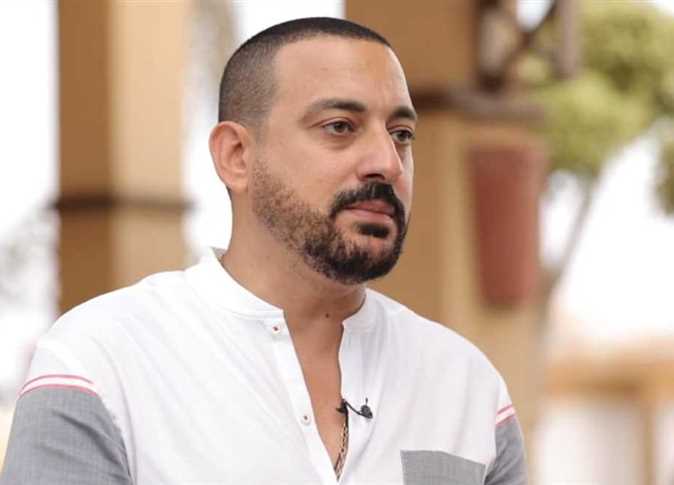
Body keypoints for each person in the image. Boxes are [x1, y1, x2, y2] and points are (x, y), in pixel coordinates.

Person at [0, 17, 526, 485]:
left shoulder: (468, 387)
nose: (387, 162)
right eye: (340, 127)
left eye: (401, 134)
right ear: (236, 155)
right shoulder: (102, 361)